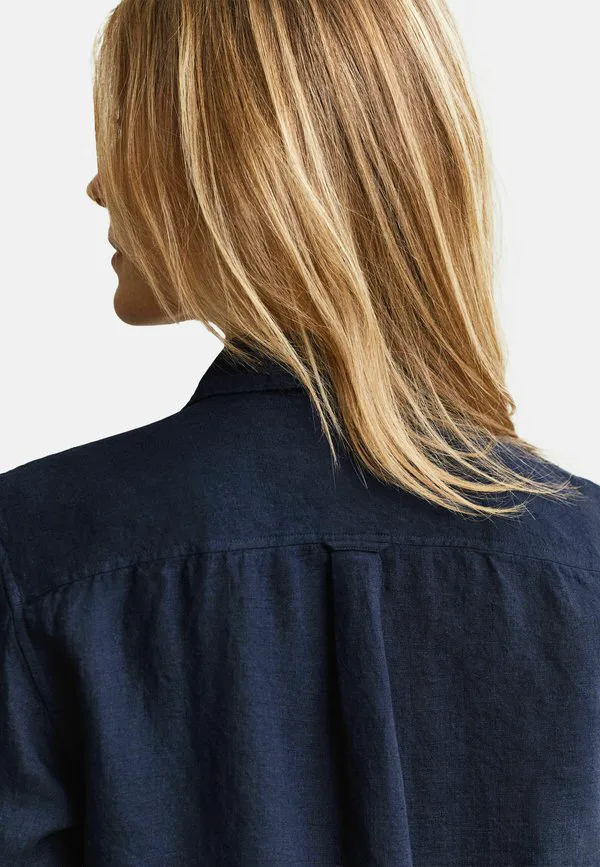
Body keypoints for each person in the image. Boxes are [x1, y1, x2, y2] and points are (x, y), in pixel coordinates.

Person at [1, 0, 598, 864]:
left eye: (129, 126)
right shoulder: (583, 565)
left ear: (233, 163)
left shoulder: (33, 549)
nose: (98, 183)